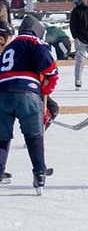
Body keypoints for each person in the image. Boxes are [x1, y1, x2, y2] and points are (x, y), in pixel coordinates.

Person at [0, 16, 58, 193]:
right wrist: (46, 89)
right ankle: (39, 173)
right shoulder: (36, 42)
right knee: (34, 136)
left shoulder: (9, 46)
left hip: (3, 93)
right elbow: (50, 69)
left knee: (2, 137)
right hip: (27, 92)